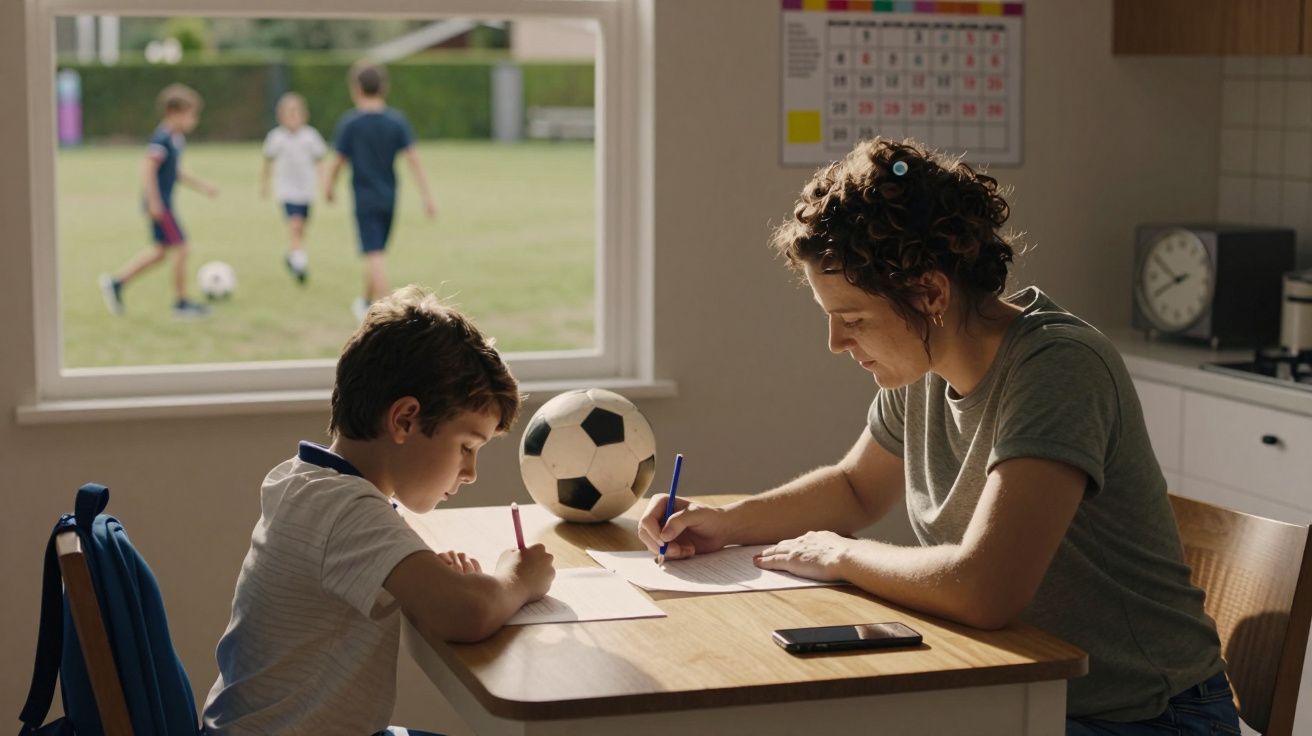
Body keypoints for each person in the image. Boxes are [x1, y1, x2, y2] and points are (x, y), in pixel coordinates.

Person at [638, 138, 1239, 734]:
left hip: (1147, 718)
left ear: (929, 294)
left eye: (852, 320)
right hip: (1025, 687)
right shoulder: (925, 366)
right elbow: (854, 489)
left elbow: (985, 590)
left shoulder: (1059, 368)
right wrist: (727, 521)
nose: (836, 344)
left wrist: (841, 555)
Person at [202, 286, 555, 736]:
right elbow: (466, 615)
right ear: (405, 420)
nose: (471, 472)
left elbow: (429, 592)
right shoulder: (345, 509)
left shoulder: (302, 481)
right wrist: (517, 578)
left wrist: (436, 580)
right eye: (467, 446)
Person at [324, 62, 438, 321]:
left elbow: (338, 161)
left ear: (355, 89)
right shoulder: (396, 122)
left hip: (364, 199)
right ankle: (366, 301)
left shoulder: (351, 123)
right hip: (389, 198)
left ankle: (392, 315)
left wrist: (329, 187)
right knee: (376, 252)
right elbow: (414, 160)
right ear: (384, 88)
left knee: (374, 254)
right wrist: (427, 197)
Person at [99, 83, 219, 318]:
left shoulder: (175, 139)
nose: (194, 120)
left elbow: (176, 172)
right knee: (182, 249)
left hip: (164, 203)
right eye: (191, 114)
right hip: (160, 205)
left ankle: (116, 283)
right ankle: (181, 304)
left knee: (161, 253)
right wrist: (154, 202)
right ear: (174, 113)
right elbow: (148, 168)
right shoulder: (162, 138)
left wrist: (203, 187)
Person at [260, 92, 327, 284]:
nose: (292, 117)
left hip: (306, 190)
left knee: (301, 228)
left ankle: (292, 255)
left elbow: (320, 161)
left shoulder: (311, 137)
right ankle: (299, 265)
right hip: (287, 190)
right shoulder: (276, 137)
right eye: (288, 113)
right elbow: (268, 161)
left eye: (296, 113)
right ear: (280, 116)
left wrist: (324, 183)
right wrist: (265, 184)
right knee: (295, 225)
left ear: (304, 115)